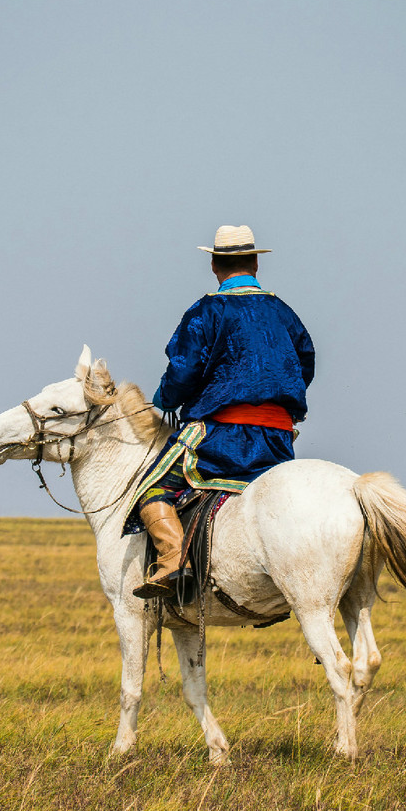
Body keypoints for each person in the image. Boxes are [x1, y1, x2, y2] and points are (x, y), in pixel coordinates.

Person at [129, 224, 315, 599]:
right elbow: (305, 363)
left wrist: (164, 400)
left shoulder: (207, 311)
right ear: (256, 265)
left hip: (220, 437)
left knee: (152, 490)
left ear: (215, 265)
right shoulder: (283, 312)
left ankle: (173, 564)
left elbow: (183, 369)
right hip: (279, 440)